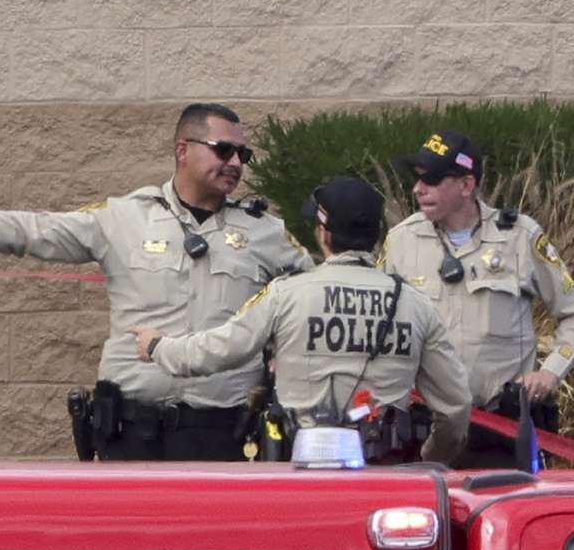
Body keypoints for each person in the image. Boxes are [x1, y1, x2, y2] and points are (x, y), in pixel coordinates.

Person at [0, 103, 313, 461]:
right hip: (134, 428)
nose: (236, 163)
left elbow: (314, 295)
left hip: (225, 430)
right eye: (224, 150)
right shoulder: (123, 217)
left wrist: (284, 355)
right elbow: (35, 231)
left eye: (243, 153)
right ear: (182, 151)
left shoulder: (266, 233)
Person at [130, 177, 471, 466]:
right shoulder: (415, 304)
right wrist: (429, 460)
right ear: (376, 234)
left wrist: (159, 347)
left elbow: (216, 351)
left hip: (299, 473)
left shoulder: (287, 293)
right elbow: (455, 407)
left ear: (324, 234)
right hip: (385, 471)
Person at [381, 130, 574, 464]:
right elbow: (381, 325)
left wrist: (550, 373)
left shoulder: (520, 237)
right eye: (416, 180)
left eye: (431, 180)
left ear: (466, 185)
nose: (417, 190)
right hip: (426, 427)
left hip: (499, 428)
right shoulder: (401, 241)